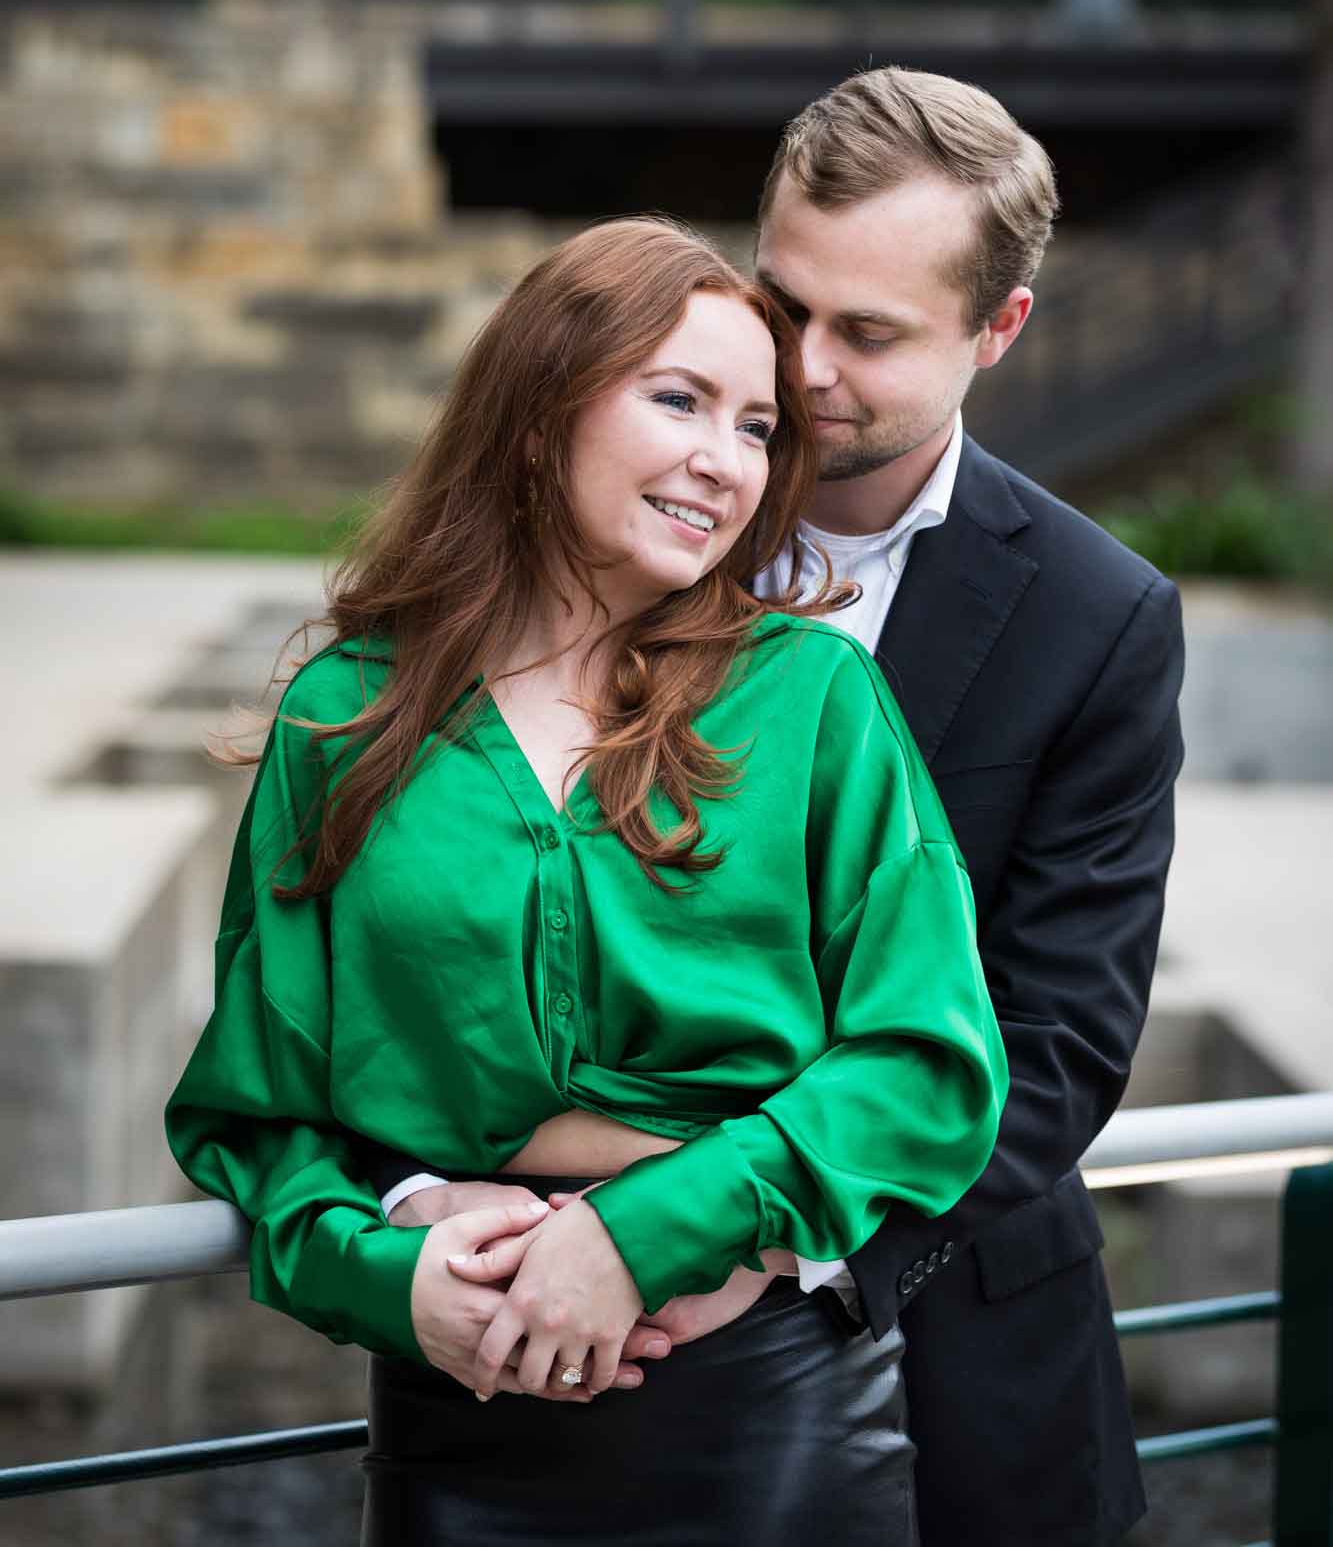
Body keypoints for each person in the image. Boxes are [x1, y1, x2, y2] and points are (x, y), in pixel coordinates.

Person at [373, 70, 1186, 1547]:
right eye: (783, 299)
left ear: (995, 331)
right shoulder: (605, 523)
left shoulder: (1099, 618)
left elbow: (1053, 1048)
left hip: (959, 1376)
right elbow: (403, 956)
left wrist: (742, 1245)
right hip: (538, 1352)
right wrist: (427, 1202)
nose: (801, 368)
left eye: (868, 333)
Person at [165, 215, 1008, 1545]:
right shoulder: (350, 714)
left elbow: (925, 1061)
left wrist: (639, 1234)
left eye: (754, 427)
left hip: (755, 1402)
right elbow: (255, 1110)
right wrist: (391, 1274)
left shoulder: (814, 697)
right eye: (677, 399)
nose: (722, 461)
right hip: (461, 1404)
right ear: (540, 411)